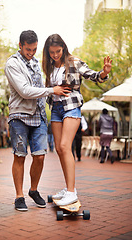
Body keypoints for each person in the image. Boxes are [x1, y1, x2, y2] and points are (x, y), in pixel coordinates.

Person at [42, 34, 112, 206]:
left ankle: (72, 192)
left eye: (58, 51)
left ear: (63, 48)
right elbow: (49, 89)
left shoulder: (73, 61)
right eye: (52, 52)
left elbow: (92, 75)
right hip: (56, 109)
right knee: (59, 149)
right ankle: (68, 188)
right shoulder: (49, 67)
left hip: (71, 106)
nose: (56, 55)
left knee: (66, 146)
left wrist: (104, 72)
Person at [4, 30, 70, 211]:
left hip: (38, 115)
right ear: (20, 45)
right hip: (19, 115)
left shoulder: (34, 63)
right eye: (28, 50)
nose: (31, 53)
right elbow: (25, 91)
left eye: (34, 49)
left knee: (40, 156)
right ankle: (19, 196)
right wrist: (51, 90)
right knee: (20, 156)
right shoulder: (13, 64)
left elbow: (41, 86)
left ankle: (33, 190)